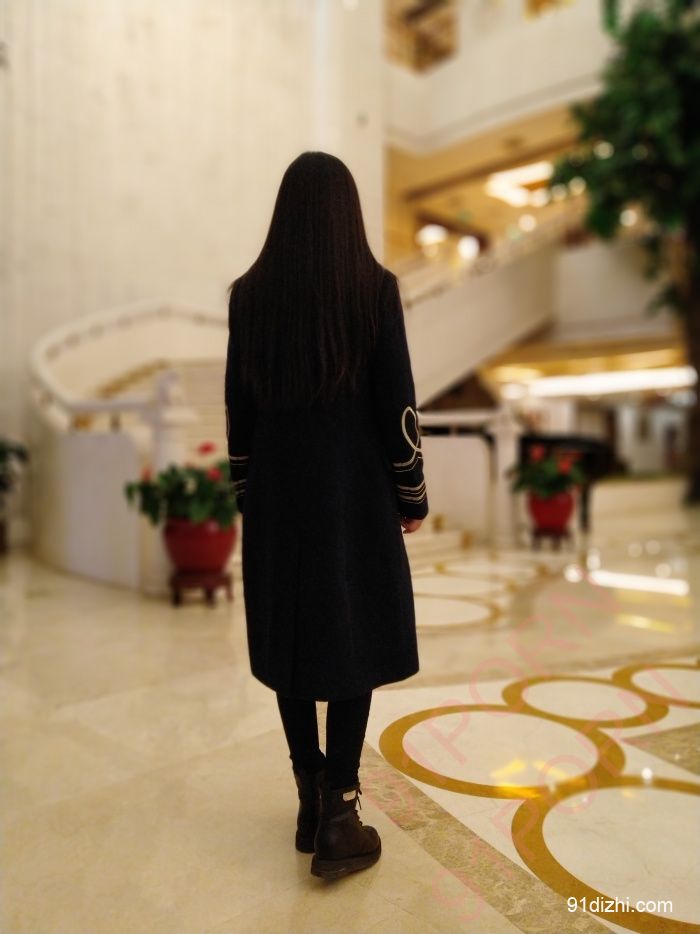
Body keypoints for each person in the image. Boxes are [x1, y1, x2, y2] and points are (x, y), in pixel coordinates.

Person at [224, 151, 429, 881]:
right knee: (353, 635)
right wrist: (411, 493)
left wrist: (248, 494)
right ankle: (340, 811)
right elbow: (397, 400)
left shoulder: (249, 296)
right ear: (348, 214)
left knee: (288, 637)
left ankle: (309, 801)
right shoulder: (373, 289)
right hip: (354, 494)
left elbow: (238, 409)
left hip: (277, 497)